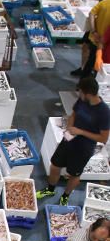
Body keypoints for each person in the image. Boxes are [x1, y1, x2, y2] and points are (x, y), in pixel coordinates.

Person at [37, 77, 110, 205]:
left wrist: (81, 132)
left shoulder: (104, 112)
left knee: (74, 175)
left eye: (80, 92)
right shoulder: (82, 101)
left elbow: (103, 138)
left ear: (88, 94)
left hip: (83, 149)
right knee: (55, 166)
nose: (79, 94)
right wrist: (70, 127)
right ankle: (50, 189)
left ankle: (65, 196)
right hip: (68, 141)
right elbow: (73, 115)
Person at [71, 0, 110, 77]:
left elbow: (91, 13)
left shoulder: (106, 1)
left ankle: (82, 85)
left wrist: (93, 31)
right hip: (105, 46)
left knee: (90, 63)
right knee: (99, 69)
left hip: (95, 39)